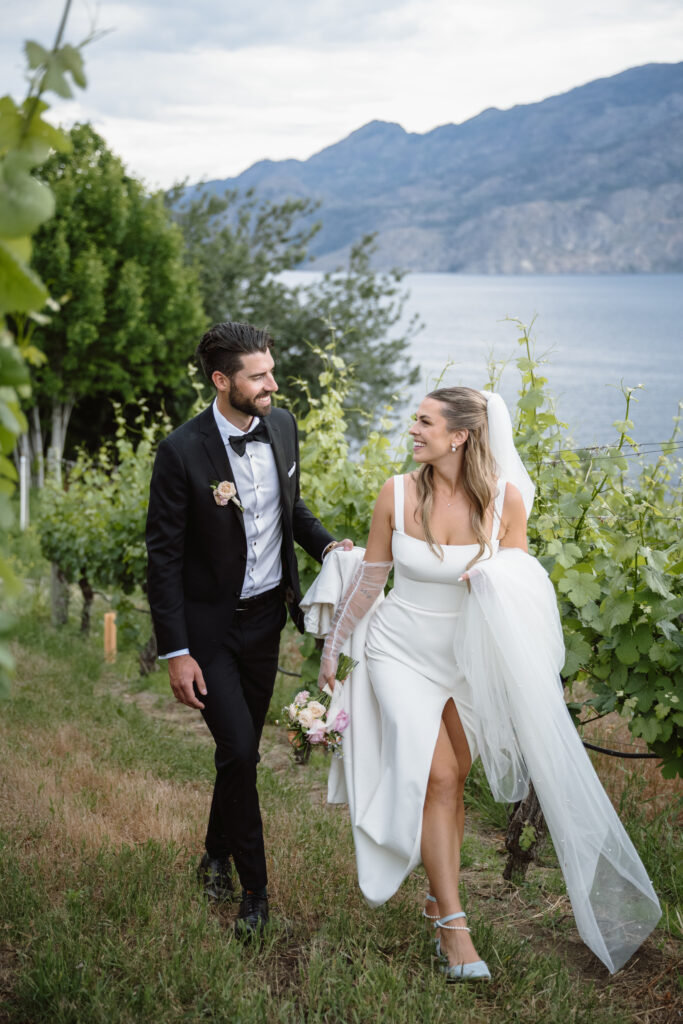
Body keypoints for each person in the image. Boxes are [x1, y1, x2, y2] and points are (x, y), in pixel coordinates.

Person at [311, 386, 660, 981]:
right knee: (437, 773)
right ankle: (454, 928)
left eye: (425, 422)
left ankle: (435, 898)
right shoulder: (395, 493)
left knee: (454, 779)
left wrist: (492, 579)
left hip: (468, 657)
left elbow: (523, 581)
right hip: (400, 648)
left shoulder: (506, 501)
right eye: (415, 421)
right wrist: (335, 647)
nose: (413, 431)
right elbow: (372, 579)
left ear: (460, 435)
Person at [145, 321, 351, 938]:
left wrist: (328, 548)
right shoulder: (181, 452)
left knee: (236, 755)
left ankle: (212, 854)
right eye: (258, 376)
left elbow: (294, 512)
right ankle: (255, 891)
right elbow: (163, 558)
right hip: (207, 633)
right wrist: (176, 652)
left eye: (270, 371)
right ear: (221, 381)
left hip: (265, 622)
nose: (272, 384)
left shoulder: (283, 427)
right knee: (240, 749)